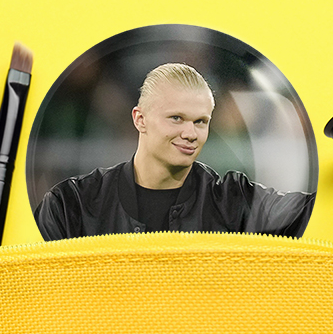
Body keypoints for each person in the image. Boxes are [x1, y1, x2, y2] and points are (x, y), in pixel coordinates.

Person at [34, 63, 314, 240]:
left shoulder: (233, 201)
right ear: (140, 119)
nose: (190, 133)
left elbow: (310, 210)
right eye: (176, 118)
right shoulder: (71, 205)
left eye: (200, 122)